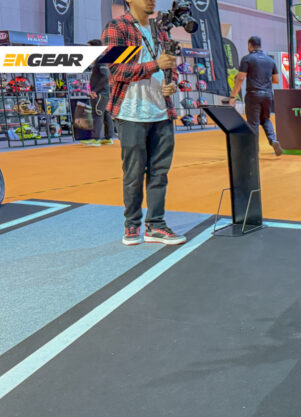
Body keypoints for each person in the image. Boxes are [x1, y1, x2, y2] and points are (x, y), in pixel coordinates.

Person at [102, 0, 186, 246]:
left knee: (160, 173)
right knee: (134, 173)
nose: (151, 0)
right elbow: (117, 70)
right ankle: (132, 225)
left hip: (161, 111)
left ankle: (156, 225)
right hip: (131, 113)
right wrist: (155, 65)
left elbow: (170, 66)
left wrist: (171, 82)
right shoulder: (117, 27)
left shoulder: (160, 30)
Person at [229, 36, 283, 156]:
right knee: (266, 119)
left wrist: (233, 97)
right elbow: (276, 80)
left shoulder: (247, 59)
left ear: (250, 45)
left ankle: (253, 150)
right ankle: (273, 140)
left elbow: (240, 78)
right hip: (268, 95)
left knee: (253, 123)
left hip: (253, 94)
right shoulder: (270, 60)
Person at [83, 38, 114, 147]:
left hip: (100, 93)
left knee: (97, 114)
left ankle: (95, 139)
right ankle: (108, 138)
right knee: (104, 114)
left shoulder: (101, 59)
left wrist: (95, 91)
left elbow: (105, 77)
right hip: (101, 92)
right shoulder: (98, 60)